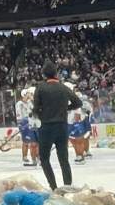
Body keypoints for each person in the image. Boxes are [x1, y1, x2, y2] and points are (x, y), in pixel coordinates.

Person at [31, 62, 80, 190]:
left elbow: (36, 109)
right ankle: (67, 187)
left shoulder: (40, 87)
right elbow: (78, 102)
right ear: (56, 74)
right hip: (62, 127)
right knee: (64, 159)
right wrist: (65, 108)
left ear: (43, 74)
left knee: (44, 158)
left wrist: (39, 113)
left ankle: (53, 187)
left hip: (46, 127)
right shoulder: (63, 87)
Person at [67, 82, 91, 164]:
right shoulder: (67, 98)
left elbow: (78, 111)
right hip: (69, 123)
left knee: (79, 140)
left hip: (74, 122)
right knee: (74, 140)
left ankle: (81, 156)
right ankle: (79, 155)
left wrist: (76, 123)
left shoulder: (74, 97)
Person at [16, 87, 39, 167]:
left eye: (29, 94)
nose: (28, 96)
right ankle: (25, 156)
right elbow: (19, 115)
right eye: (26, 94)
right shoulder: (19, 104)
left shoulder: (31, 102)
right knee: (26, 141)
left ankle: (38, 156)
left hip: (33, 123)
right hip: (24, 123)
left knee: (36, 142)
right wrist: (20, 124)